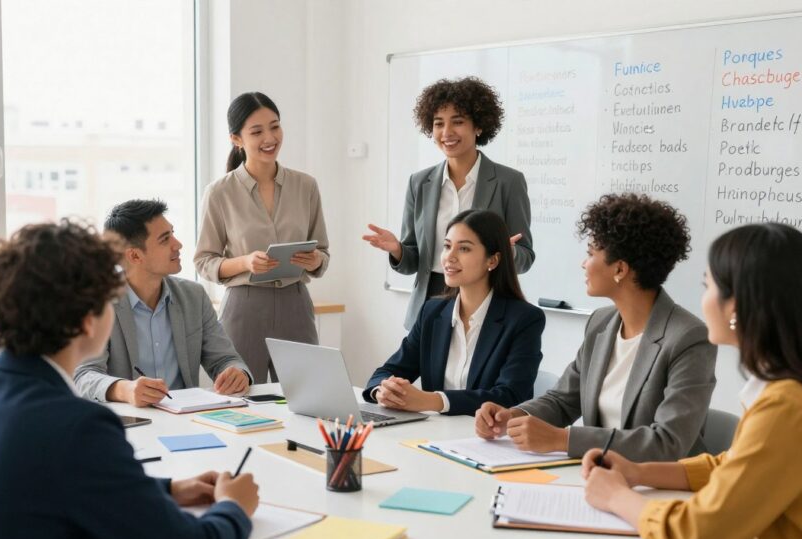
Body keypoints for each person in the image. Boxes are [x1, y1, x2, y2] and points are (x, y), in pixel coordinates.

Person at [0, 221, 259, 539]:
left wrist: (168, 491)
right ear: (89, 321)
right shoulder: (76, 426)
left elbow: (48, 484)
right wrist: (234, 507)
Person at [583, 223, 802, 539]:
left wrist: (617, 497)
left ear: (735, 306)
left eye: (707, 286)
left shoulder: (788, 406)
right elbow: (736, 464)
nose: (703, 300)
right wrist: (638, 472)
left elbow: (701, 536)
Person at [475, 193, 717, 461]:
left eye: (590, 253)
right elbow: (563, 399)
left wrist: (562, 439)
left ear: (620, 269)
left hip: (662, 489)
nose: (583, 263)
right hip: (600, 476)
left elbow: (667, 442)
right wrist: (512, 416)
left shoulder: (688, 338)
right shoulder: (601, 323)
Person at [363, 76, 534, 329]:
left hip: (484, 299)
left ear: (478, 126)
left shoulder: (508, 182)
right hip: (429, 302)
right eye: (438, 124)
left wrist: (507, 254)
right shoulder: (419, 183)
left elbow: (526, 256)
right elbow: (412, 262)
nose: (446, 133)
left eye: (458, 122)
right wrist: (398, 249)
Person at [195, 92, 330, 383]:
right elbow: (204, 261)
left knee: (307, 396)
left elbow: (322, 252)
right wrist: (245, 262)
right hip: (244, 307)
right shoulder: (219, 192)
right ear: (237, 139)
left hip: (295, 304)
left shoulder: (305, 185)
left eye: (275, 126)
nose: (269, 137)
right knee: (241, 400)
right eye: (257, 131)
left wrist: (315, 258)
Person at [363, 210, 543, 415]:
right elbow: (387, 372)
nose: (450, 257)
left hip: (492, 439)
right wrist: (383, 391)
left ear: (492, 260)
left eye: (464, 248)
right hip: (434, 437)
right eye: (447, 246)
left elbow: (508, 396)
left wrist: (432, 401)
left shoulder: (524, 319)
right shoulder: (432, 312)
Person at [75, 199, 252, 406]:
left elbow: (225, 359)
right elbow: (84, 375)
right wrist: (125, 390)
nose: (178, 244)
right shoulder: (98, 302)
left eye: (173, 233)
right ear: (134, 255)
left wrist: (238, 373)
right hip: (131, 423)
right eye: (165, 239)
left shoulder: (194, 296)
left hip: (187, 418)